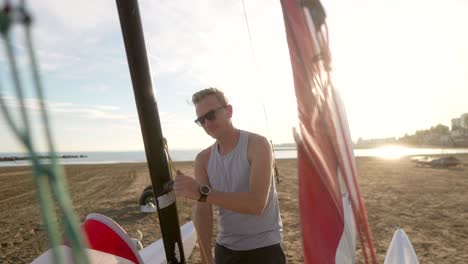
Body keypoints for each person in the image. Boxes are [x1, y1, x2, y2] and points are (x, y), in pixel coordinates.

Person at [173, 88, 285, 264]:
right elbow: (203, 210)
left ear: (229, 111)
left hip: (265, 249)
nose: (207, 123)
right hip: (225, 250)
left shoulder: (257, 145)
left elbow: (257, 204)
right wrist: (205, 256)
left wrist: (202, 192)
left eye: (211, 115)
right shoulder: (203, 159)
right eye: (201, 120)